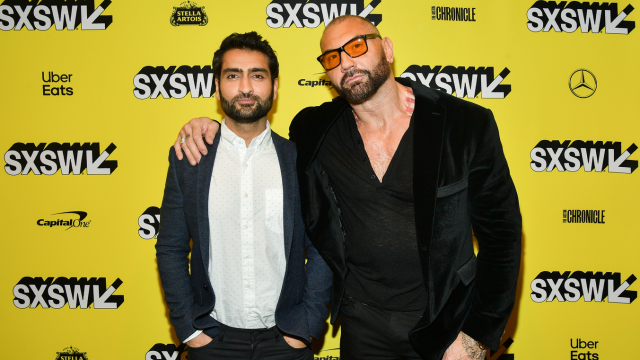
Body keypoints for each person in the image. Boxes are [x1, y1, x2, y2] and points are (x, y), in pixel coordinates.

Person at [173, 15, 522, 360]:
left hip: (448, 324)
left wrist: (475, 336)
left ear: (386, 49)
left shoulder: (465, 124)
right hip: (362, 326)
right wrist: (205, 125)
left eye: (357, 45)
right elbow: (248, 131)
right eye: (332, 57)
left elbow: (502, 237)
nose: (347, 62)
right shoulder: (314, 129)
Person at [155, 31, 332, 360]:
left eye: (258, 75)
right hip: (212, 340)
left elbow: (323, 248)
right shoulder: (190, 158)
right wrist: (187, 329)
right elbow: (170, 247)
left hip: (287, 341)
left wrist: (307, 323)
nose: (246, 87)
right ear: (217, 86)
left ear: (275, 87)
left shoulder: (300, 160)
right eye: (233, 75)